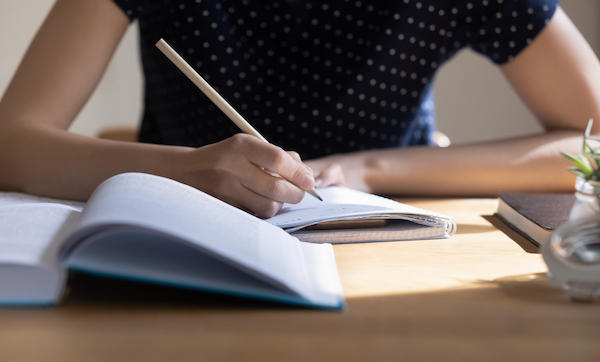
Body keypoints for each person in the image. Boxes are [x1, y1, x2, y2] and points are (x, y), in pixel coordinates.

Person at [0, 0, 598, 219]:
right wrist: (186, 170)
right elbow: (12, 141)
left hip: (385, 237)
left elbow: (593, 139)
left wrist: (370, 169)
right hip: (179, 235)